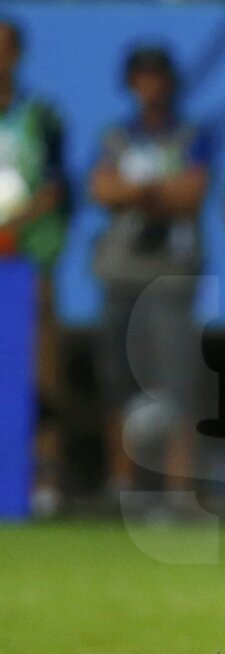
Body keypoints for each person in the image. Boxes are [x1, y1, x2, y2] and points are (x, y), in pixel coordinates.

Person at [89, 45, 210, 507]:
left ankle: (179, 493)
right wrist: (154, 190)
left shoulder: (191, 134)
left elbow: (193, 192)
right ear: (132, 84)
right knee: (119, 385)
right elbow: (100, 188)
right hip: (121, 276)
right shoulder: (118, 136)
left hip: (170, 279)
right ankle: (123, 489)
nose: (150, 87)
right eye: (142, 77)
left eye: (157, 77)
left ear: (170, 83)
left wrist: (135, 191)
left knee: (175, 385)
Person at [0, 18, 69, 513]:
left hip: (27, 265)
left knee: (39, 371)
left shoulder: (41, 117)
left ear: (18, 55)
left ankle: (45, 477)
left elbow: (55, 188)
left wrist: (14, 223)